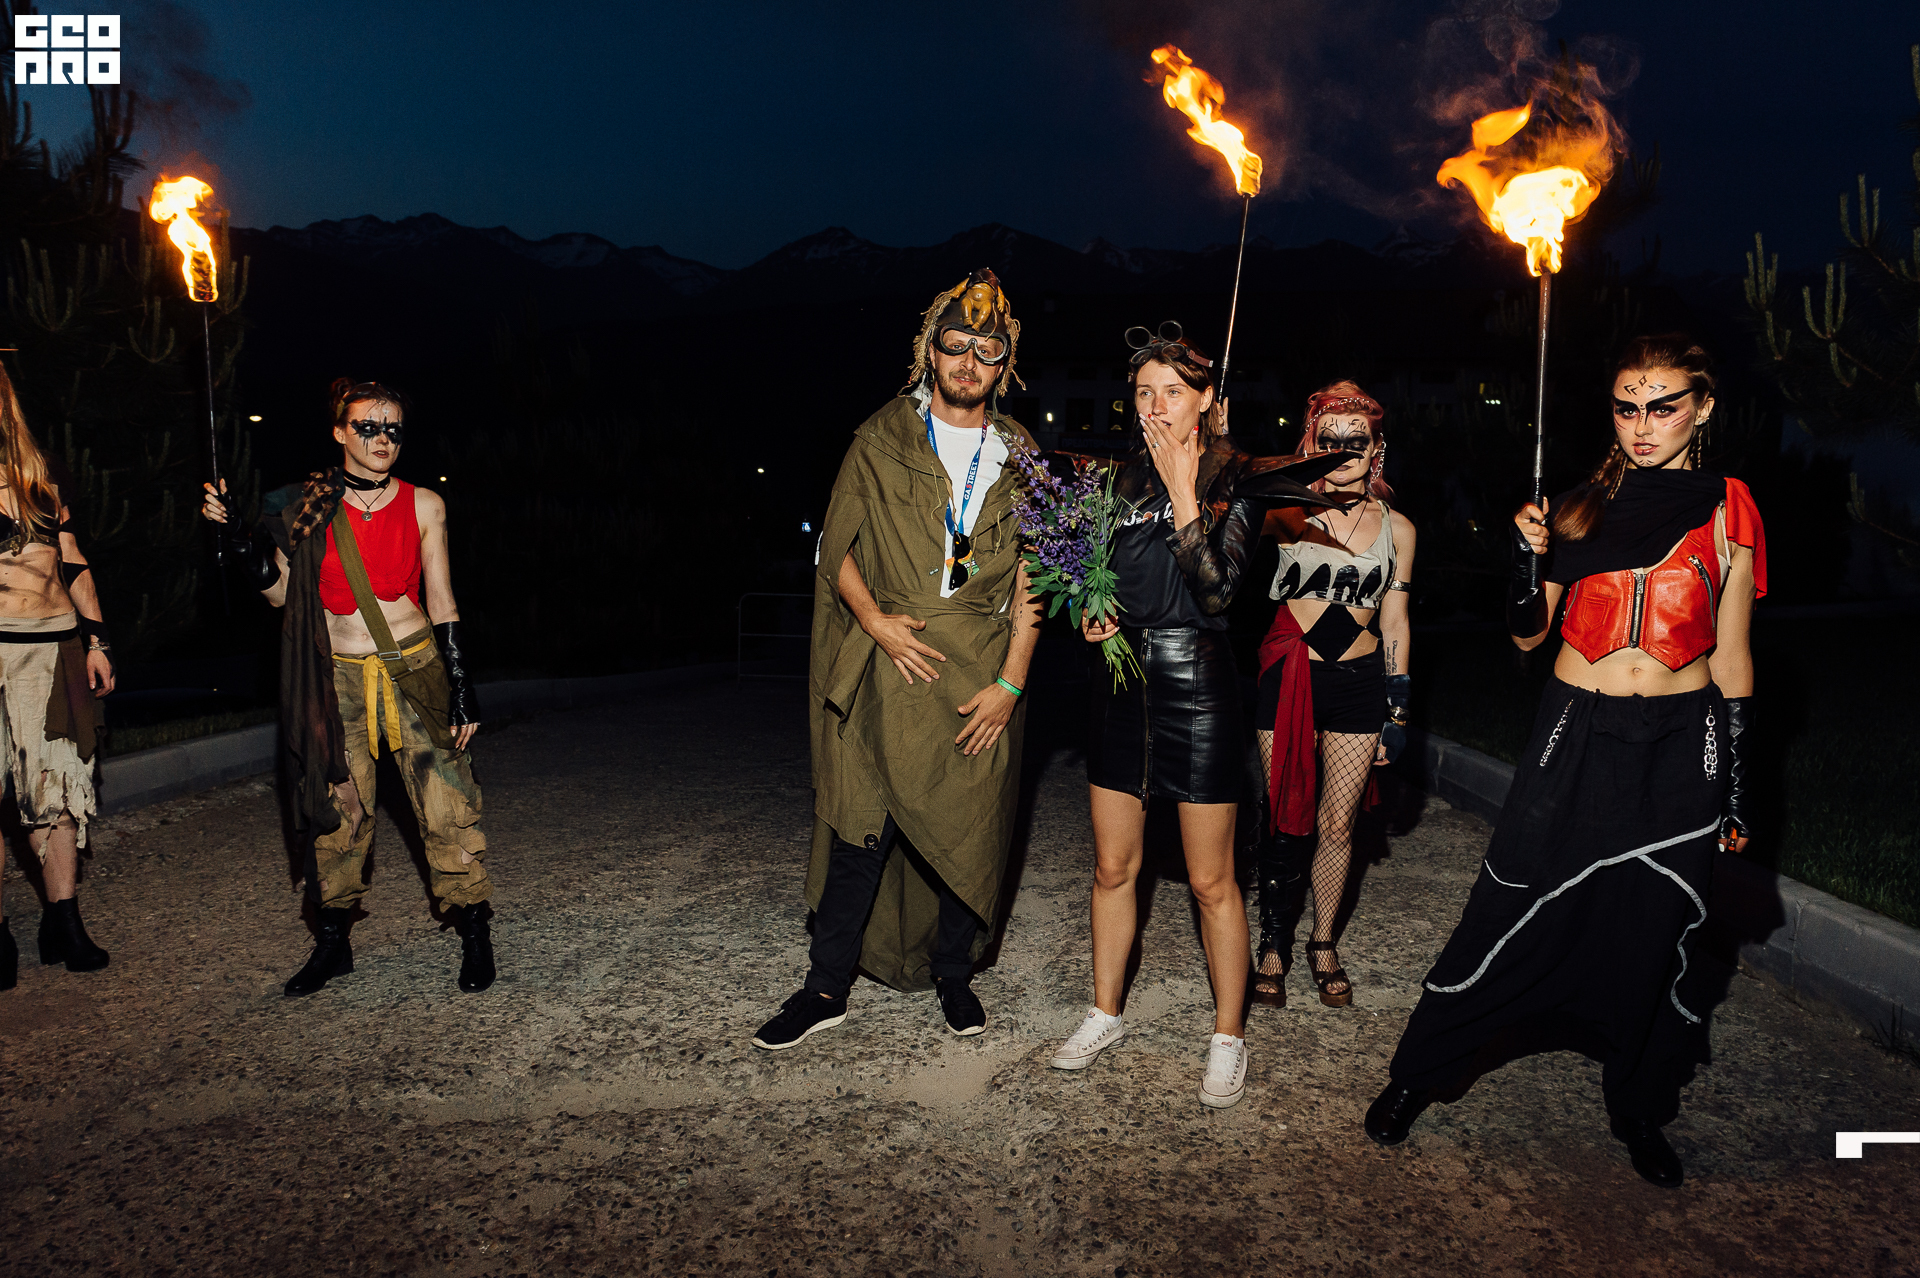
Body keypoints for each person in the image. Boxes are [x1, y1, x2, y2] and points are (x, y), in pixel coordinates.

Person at [1364, 334, 1762, 1190]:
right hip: (1575, 729)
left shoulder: (1731, 510)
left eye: (1663, 406)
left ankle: (1638, 1106)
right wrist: (1526, 555)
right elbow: (1526, 636)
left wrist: (1736, 785)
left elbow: (1733, 658)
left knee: (1657, 923)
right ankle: (1419, 1074)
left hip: (1681, 741)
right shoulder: (1576, 509)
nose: (1642, 424)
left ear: (1702, 409)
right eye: (1627, 407)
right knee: (1507, 904)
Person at [1046, 323, 1349, 1107]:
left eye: (1172, 393)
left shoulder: (1236, 481)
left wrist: (1186, 493)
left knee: (1213, 881)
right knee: (1113, 869)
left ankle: (1228, 1036)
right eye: (1143, 394)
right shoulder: (1113, 483)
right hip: (1121, 686)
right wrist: (1091, 613)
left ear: (1207, 400)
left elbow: (1217, 593)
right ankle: (1104, 1013)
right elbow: (1092, 577)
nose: (1154, 407)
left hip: (1201, 686)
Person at [751, 269, 1043, 1049]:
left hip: (980, 666)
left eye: (987, 350)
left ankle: (953, 974)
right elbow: (835, 547)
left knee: (969, 827)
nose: (969, 362)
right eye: (957, 345)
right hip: (893, 660)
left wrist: (1012, 683)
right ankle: (825, 987)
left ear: (1004, 363)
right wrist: (876, 622)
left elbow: (1035, 576)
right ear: (930, 351)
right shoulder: (881, 438)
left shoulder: (1021, 453)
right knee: (862, 826)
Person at [201, 378, 492, 997]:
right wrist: (239, 539)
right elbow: (281, 595)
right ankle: (333, 944)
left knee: (445, 803)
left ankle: (474, 931)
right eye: (368, 427)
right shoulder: (306, 507)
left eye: (393, 429)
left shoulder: (424, 504)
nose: (383, 439)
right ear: (339, 432)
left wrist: (462, 685)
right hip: (336, 678)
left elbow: (442, 598)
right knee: (341, 808)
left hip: (413, 670)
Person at [1251, 381, 1416, 1009]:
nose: (1344, 451)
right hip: (1289, 675)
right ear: (1312, 443)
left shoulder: (1399, 529)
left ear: (1377, 448)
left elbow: (1395, 622)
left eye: (1357, 440)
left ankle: (1323, 943)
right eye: (1330, 439)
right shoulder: (1285, 513)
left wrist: (1398, 711)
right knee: (1281, 818)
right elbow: (1214, 520)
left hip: (1357, 684)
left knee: (1338, 824)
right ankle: (1273, 943)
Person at [0, 364, 116, 990]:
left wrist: (97, 640)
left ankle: (63, 922)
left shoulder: (40, 476)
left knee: (61, 791)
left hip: (51, 651)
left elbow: (72, 561)